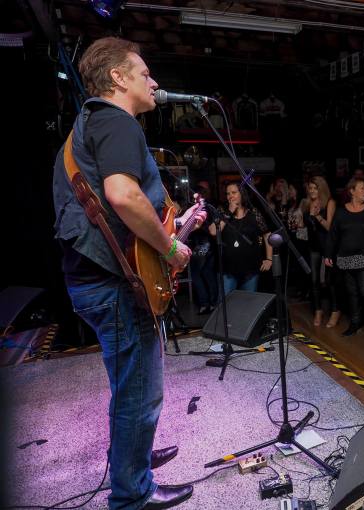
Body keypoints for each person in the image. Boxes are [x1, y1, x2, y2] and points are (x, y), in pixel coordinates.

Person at [52, 37, 201, 509]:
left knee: (127, 387)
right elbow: (122, 195)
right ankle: (132, 493)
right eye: (144, 73)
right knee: (139, 394)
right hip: (112, 286)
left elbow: (120, 209)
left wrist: (175, 224)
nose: (153, 82)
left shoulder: (89, 125)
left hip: (92, 282)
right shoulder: (117, 121)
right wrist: (172, 247)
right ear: (118, 78)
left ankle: (129, 459)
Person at [325, 177, 364, 336]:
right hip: (345, 259)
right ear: (352, 191)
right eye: (362, 188)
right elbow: (333, 235)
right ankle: (355, 322)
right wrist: (328, 254)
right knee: (352, 293)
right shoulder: (341, 211)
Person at [209, 183, 272, 293]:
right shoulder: (222, 211)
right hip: (228, 270)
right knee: (227, 302)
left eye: (234, 192)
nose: (230, 196)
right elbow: (213, 231)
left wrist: (269, 259)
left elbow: (267, 234)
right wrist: (229, 212)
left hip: (251, 269)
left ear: (242, 194)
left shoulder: (253, 212)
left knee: (248, 302)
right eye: (228, 193)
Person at [301, 176, 340, 327]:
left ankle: (335, 311)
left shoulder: (329, 202)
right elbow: (306, 226)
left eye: (315, 188)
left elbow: (330, 227)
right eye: (310, 188)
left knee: (330, 281)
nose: (311, 191)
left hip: (328, 246)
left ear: (321, 189)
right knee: (314, 280)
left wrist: (317, 216)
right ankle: (318, 310)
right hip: (313, 246)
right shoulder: (306, 203)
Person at [189, 180, 218, 314]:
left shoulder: (200, 207)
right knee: (208, 274)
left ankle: (205, 303)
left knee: (196, 275)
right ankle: (212, 303)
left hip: (201, 244)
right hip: (209, 244)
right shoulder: (210, 206)